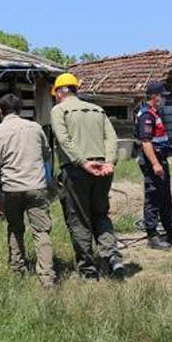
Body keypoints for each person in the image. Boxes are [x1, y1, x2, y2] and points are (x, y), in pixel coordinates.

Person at [50, 72, 124, 281]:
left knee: (79, 218)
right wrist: (109, 161)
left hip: (76, 170)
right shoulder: (97, 110)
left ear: (58, 93)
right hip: (102, 169)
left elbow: (64, 140)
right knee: (101, 214)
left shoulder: (59, 110)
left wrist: (83, 162)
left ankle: (88, 270)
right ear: (76, 89)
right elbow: (112, 139)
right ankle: (112, 257)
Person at [0, 94, 57, 287]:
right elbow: (46, 154)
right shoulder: (35, 128)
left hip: (12, 189)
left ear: (0, 111)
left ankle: (17, 267)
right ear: (20, 109)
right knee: (41, 231)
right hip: (36, 187)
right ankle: (47, 276)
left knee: (15, 229)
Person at [135, 82, 172, 250]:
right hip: (154, 163)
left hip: (161, 160)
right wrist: (155, 164)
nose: (164, 99)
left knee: (165, 197)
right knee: (153, 198)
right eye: (162, 96)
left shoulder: (154, 113)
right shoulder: (146, 115)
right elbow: (146, 142)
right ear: (154, 96)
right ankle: (152, 236)